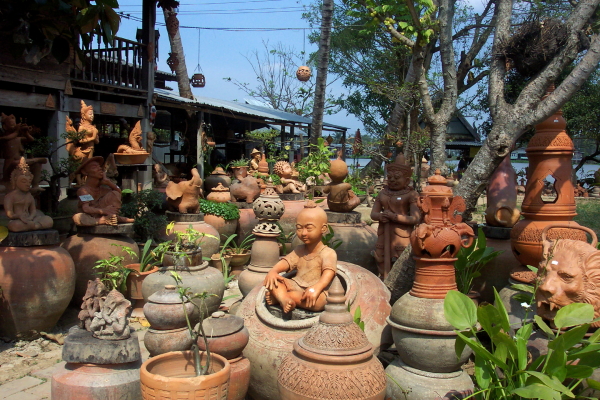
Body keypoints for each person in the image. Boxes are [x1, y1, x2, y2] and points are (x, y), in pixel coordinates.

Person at [263, 201, 337, 313]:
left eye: (309, 228)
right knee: (275, 282)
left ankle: (282, 298)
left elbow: (329, 273)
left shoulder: (328, 253)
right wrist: (273, 271)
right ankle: (285, 299)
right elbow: (286, 262)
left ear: (323, 229)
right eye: (299, 228)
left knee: (320, 302)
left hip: (315, 291)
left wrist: (316, 288)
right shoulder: (299, 250)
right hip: (295, 285)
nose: (303, 233)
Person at [370, 154, 421, 279]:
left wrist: (395, 217)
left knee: (401, 261)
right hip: (384, 233)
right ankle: (383, 281)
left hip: (402, 235)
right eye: (390, 177)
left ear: (407, 180)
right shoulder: (383, 193)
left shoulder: (411, 194)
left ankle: (397, 284)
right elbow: (373, 214)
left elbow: (415, 218)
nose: (392, 180)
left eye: (397, 177)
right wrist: (380, 216)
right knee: (380, 258)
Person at [72, 156, 134, 226]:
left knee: (115, 193)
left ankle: (112, 217)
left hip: (104, 213)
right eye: (94, 167)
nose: (99, 169)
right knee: (78, 217)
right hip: (91, 216)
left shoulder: (103, 189)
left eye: (99, 166)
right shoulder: (83, 190)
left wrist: (109, 183)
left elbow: (119, 192)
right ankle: (103, 220)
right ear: (85, 172)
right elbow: (86, 209)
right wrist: (104, 211)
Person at [4, 157, 53, 232]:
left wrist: (30, 217)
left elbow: (33, 210)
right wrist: (19, 216)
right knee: (14, 225)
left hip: (30, 219)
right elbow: (10, 214)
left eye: (29, 182)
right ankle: (35, 226)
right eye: (24, 182)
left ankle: (33, 226)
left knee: (48, 220)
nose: (27, 184)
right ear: (15, 181)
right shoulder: (10, 197)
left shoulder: (29, 196)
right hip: (18, 220)